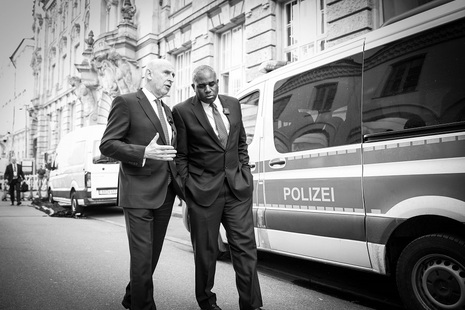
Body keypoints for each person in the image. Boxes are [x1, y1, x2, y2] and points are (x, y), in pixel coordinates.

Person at [172, 65, 264, 310]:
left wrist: (244, 170)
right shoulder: (182, 112)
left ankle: (251, 304)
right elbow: (180, 156)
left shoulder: (233, 104)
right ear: (194, 87)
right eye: (202, 86)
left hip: (237, 189)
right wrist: (188, 189)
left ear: (217, 83)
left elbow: (240, 142)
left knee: (245, 248)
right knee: (206, 252)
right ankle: (206, 301)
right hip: (203, 193)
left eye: (212, 84)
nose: (208, 89)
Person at [100, 58, 184, 310]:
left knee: (151, 256)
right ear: (148, 73)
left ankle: (131, 296)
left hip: (165, 193)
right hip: (137, 193)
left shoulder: (167, 111)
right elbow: (108, 144)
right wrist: (143, 152)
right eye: (166, 72)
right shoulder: (125, 102)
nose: (171, 78)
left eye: (173, 74)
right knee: (141, 258)